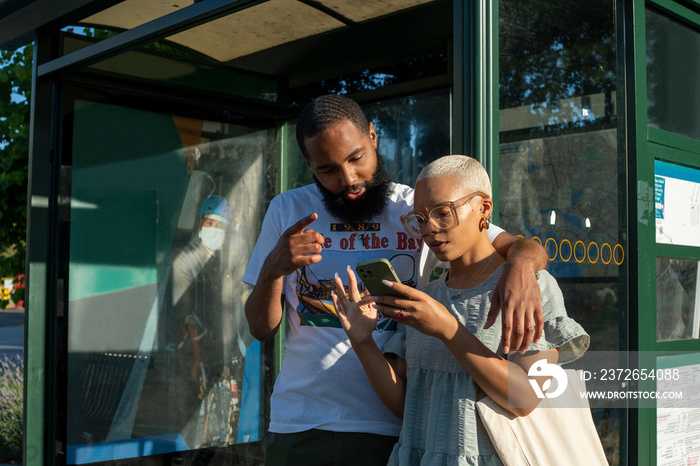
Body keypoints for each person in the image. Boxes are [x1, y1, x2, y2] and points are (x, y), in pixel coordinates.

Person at [242, 95, 548, 465]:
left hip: (393, 423)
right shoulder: (286, 210)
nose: (348, 180)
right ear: (308, 163)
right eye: (327, 169)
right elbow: (262, 328)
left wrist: (522, 270)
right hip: (300, 423)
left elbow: (520, 246)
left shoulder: (416, 209)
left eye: (356, 158)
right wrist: (274, 266)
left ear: (373, 136)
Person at [332, 155, 590, 465]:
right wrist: (362, 342)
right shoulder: (425, 298)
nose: (429, 228)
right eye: (420, 218)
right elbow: (407, 405)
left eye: (443, 213)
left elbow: (524, 398)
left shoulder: (529, 287)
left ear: (484, 208)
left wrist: (448, 329)